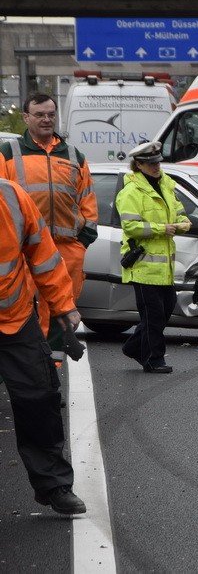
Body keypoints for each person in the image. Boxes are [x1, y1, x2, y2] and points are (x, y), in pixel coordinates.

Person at [0, 177, 87, 515]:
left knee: (40, 398)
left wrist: (63, 303)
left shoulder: (10, 195)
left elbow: (43, 254)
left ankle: (54, 486)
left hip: (16, 318)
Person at [0, 93, 98, 352]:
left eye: (51, 114)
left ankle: (51, 363)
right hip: (23, 249)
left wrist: (83, 239)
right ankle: (25, 365)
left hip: (66, 248)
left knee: (61, 306)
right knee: (21, 308)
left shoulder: (74, 155)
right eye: (40, 114)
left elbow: (87, 198)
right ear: (26, 117)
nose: (46, 119)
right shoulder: (8, 153)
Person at [116, 141, 190, 374]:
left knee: (166, 309)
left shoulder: (166, 185)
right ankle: (153, 359)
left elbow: (179, 211)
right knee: (154, 315)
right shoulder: (131, 192)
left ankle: (134, 346)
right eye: (150, 163)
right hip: (143, 265)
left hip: (164, 266)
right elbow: (130, 226)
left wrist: (184, 223)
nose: (156, 166)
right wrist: (162, 228)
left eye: (157, 162)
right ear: (138, 165)